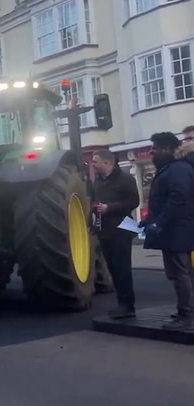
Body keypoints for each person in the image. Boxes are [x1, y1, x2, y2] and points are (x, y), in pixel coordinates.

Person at [140, 132, 194, 330]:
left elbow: (179, 198)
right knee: (183, 272)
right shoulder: (173, 168)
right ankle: (187, 311)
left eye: (155, 148)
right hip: (176, 231)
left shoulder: (177, 169)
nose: (152, 151)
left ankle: (186, 315)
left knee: (180, 273)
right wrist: (148, 221)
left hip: (176, 232)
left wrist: (159, 223)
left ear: (167, 149)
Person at [92, 149, 140, 319]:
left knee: (123, 268)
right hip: (105, 231)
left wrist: (109, 208)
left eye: (96, 161)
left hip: (122, 230)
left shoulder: (126, 179)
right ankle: (121, 303)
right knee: (113, 268)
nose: (93, 164)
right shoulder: (98, 181)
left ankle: (128, 305)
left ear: (107, 162)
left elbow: (134, 201)